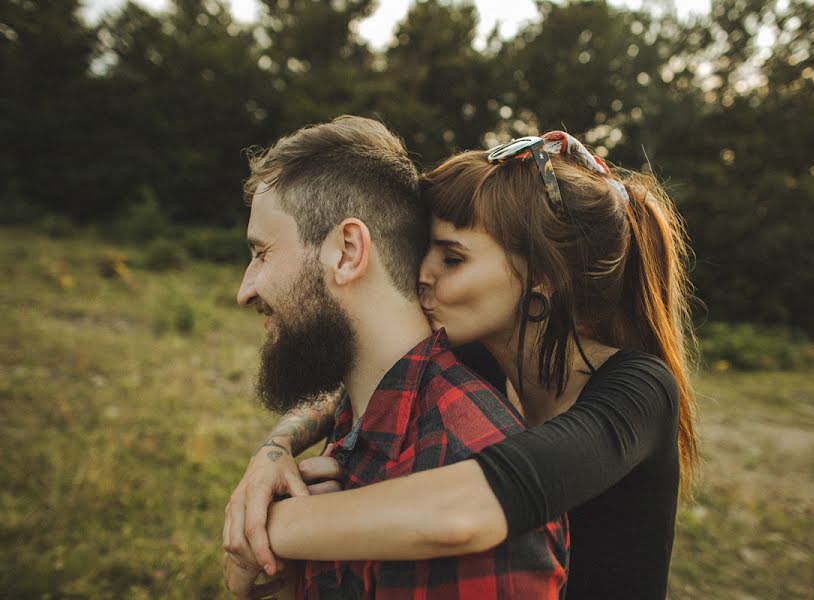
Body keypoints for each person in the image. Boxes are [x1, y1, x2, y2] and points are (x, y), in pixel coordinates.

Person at [224, 129, 699, 599]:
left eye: (452, 259)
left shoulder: (639, 390)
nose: (421, 274)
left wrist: (266, 530)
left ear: (543, 279)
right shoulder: (476, 358)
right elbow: (340, 399)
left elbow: (463, 513)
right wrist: (274, 451)